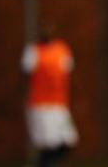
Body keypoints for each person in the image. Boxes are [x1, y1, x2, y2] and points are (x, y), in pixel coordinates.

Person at [21, 22, 78, 167]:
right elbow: (25, 75)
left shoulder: (62, 49)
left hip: (59, 104)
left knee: (68, 140)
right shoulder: (33, 51)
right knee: (50, 144)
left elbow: (68, 73)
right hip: (41, 104)